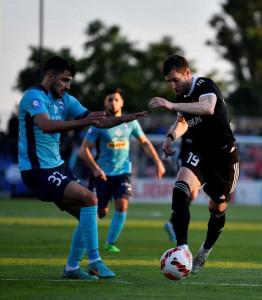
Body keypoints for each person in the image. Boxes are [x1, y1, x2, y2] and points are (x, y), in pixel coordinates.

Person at [18, 56, 147, 280]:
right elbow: (46, 126)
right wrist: (84, 122)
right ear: (50, 76)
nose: (68, 86)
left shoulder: (66, 100)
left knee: (91, 214)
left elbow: (98, 121)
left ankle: (71, 268)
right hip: (37, 170)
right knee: (91, 200)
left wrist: (125, 119)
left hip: (57, 167)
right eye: (65, 80)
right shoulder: (34, 96)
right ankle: (95, 261)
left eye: (70, 81)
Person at [149, 54, 240, 274]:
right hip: (201, 153)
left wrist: (170, 104)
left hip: (225, 157)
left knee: (217, 208)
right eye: (169, 82)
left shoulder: (204, 85)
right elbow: (182, 121)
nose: (173, 85)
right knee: (180, 189)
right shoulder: (182, 97)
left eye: (176, 79)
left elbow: (208, 108)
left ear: (187, 73)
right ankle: (182, 248)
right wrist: (171, 137)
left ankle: (205, 251)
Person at [80, 87, 166, 252]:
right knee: (101, 211)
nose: (113, 103)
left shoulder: (131, 122)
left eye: (116, 99)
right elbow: (85, 149)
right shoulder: (98, 124)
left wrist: (158, 161)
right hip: (102, 174)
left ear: (122, 102)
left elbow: (145, 143)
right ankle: (84, 241)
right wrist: (95, 168)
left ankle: (110, 243)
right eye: (110, 99)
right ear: (105, 102)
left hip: (123, 172)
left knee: (122, 205)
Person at [162, 129, 199, 243]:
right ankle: (174, 225)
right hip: (184, 159)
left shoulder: (206, 118)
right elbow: (172, 131)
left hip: (198, 160)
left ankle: (172, 223)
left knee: (193, 195)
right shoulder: (187, 117)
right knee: (189, 193)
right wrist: (166, 155)